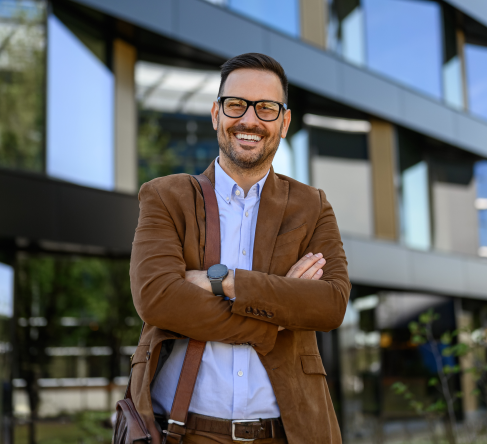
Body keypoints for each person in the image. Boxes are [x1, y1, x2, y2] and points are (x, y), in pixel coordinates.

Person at [129, 52, 350, 444]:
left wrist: (225, 282)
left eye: (266, 108)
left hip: (287, 434)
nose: (249, 120)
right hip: (181, 432)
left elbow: (330, 303)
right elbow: (158, 298)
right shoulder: (166, 196)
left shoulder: (311, 204)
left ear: (284, 123)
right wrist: (275, 315)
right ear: (216, 113)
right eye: (236, 105)